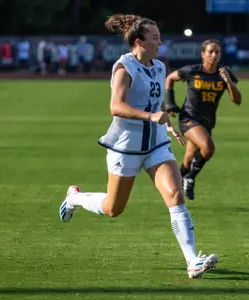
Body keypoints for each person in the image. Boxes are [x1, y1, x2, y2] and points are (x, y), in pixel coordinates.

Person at [58, 14, 218, 279]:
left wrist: (165, 123)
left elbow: (156, 106)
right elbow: (116, 106)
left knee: (176, 197)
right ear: (138, 41)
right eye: (154, 37)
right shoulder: (124, 67)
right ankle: (73, 198)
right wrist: (150, 116)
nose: (160, 41)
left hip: (156, 144)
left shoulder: (158, 66)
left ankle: (192, 261)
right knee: (113, 209)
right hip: (126, 146)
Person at [164, 40, 242, 200]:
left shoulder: (223, 74)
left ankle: (174, 184)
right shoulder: (193, 71)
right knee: (208, 147)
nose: (214, 55)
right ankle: (190, 178)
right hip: (189, 118)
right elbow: (170, 78)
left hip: (207, 122)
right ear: (203, 54)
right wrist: (170, 103)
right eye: (210, 52)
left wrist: (228, 82)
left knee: (188, 160)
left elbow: (237, 100)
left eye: (217, 52)